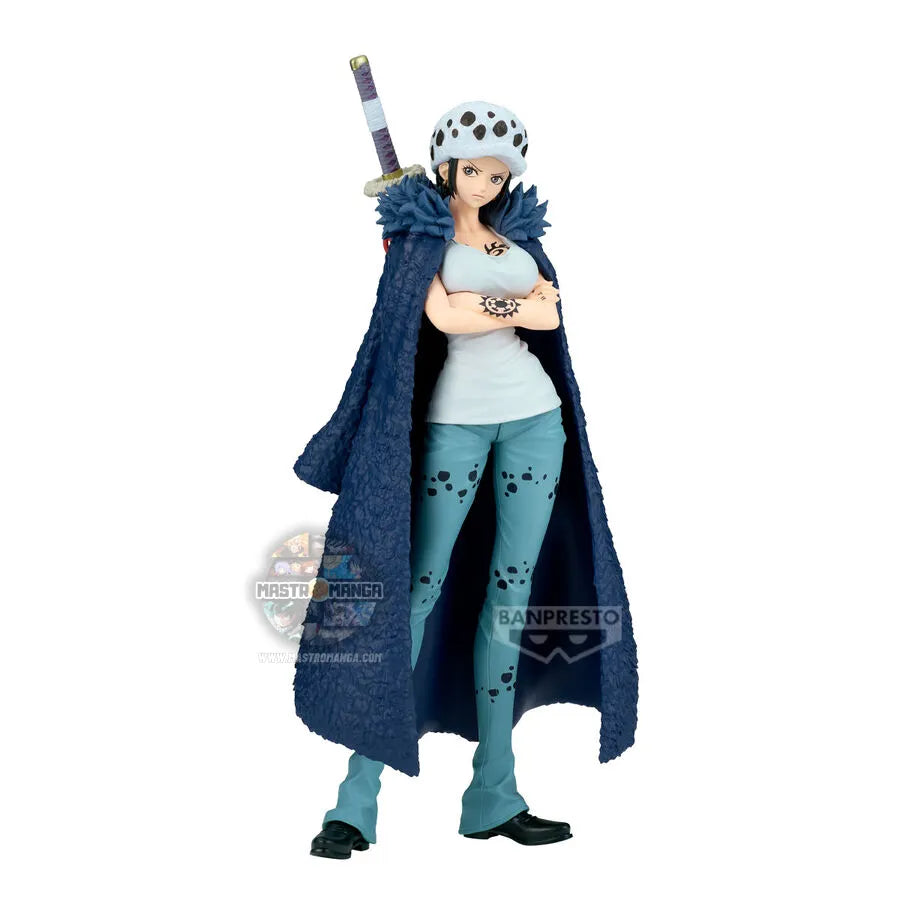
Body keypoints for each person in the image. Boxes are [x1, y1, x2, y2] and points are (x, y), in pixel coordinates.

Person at [295, 101, 639, 860]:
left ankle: (495, 796)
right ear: (446, 166)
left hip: (536, 423)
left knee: (510, 600)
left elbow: (549, 316)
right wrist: (508, 306)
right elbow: (444, 321)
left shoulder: (517, 241)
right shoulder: (417, 241)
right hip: (453, 426)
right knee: (413, 594)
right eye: (474, 169)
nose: (485, 184)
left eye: (498, 174)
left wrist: (486, 304)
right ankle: (355, 803)